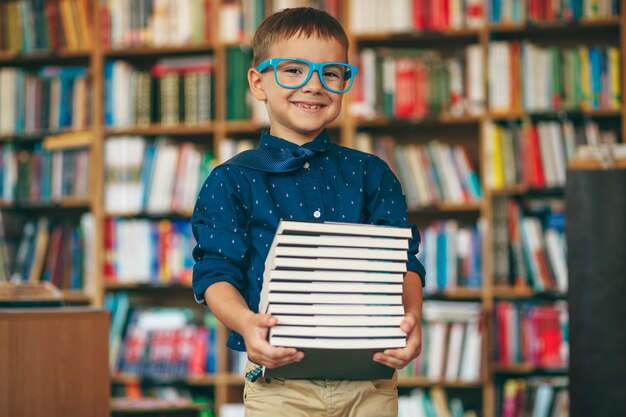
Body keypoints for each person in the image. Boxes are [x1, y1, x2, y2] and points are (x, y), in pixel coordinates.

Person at [191, 7, 425, 416]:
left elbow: (403, 262)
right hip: (279, 386)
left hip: (370, 384)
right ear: (258, 83)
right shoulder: (231, 180)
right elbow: (216, 272)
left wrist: (412, 319)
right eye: (294, 70)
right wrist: (246, 324)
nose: (314, 85)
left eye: (331, 73)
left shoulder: (372, 174)